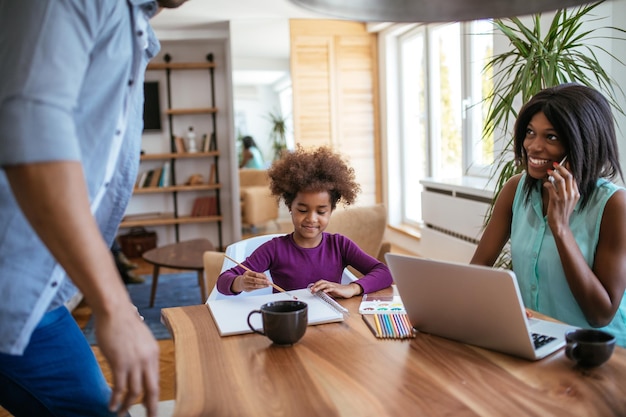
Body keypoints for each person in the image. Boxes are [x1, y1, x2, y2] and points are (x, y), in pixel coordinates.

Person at [0, 1, 188, 417]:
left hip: (37, 292)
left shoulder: (133, 31)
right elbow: (34, 140)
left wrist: (110, 294)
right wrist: (112, 305)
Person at [471, 83, 626, 347]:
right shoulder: (515, 190)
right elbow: (476, 271)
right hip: (538, 340)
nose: (533, 146)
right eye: (530, 132)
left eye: (551, 137)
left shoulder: (614, 205)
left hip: (598, 354)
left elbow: (601, 314)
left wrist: (561, 228)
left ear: (583, 143)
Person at [218, 145, 393, 298]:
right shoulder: (274, 249)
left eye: (321, 211)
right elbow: (223, 281)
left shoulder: (340, 245)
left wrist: (352, 288)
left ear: (331, 210)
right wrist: (240, 282)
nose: (311, 218)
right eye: (302, 210)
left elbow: (385, 272)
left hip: (332, 324)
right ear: (290, 207)